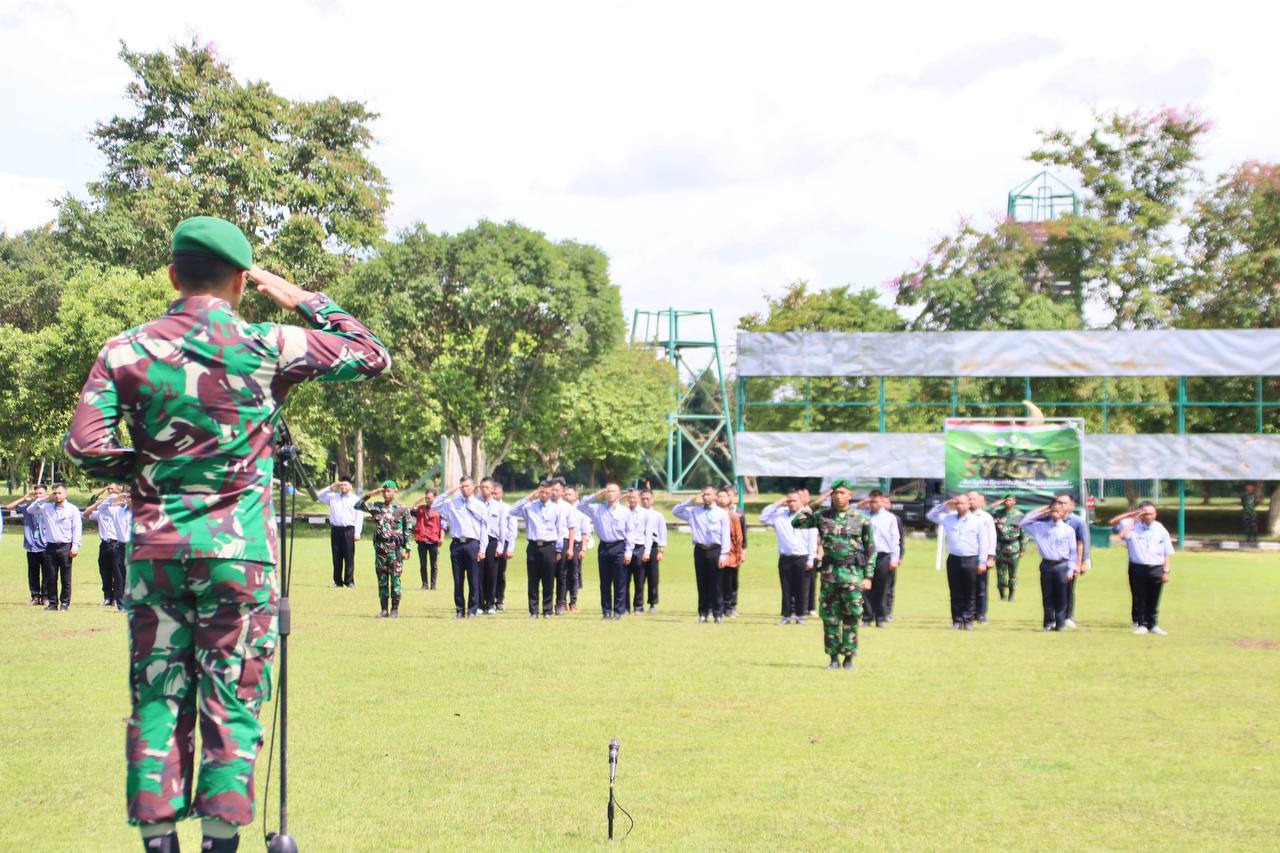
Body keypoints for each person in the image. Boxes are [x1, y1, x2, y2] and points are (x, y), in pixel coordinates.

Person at [63, 215, 389, 851]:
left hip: (156, 548)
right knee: (232, 694)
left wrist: (153, 470)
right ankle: (220, 841)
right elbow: (371, 355)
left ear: (172, 275)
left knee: (157, 695)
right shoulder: (268, 343)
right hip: (240, 554)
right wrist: (303, 299)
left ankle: (158, 840)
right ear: (243, 282)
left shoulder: (125, 349)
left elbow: (85, 448)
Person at [791, 480, 873, 669]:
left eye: (842, 492)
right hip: (829, 575)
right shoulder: (822, 516)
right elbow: (796, 522)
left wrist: (868, 576)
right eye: (835, 493)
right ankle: (833, 658)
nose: (838, 496)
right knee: (830, 618)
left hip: (852, 576)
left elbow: (871, 549)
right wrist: (816, 503)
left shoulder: (860, 518)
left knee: (852, 617)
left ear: (850, 495)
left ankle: (849, 658)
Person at [1111, 502, 1175, 635]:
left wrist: (1166, 570)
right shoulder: (1133, 526)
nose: (1148, 516)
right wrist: (1134, 517)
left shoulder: (1160, 529)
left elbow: (1167, 552)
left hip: (1156, 567)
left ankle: (1153, 624)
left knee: (1154, 597)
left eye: (1151, 514)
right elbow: (1121, 534)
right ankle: (1142, 624)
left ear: (1155, 515)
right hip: (1138, 567)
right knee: (1140, 597)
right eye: (1145, 514)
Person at [927, 494, 987, 629]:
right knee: (955, 592)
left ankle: (968, 620)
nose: (959, 506)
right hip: (954, 559)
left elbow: (984, 542)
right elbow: (930, 516)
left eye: (962, 503)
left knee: (970, 591)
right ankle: (957, 620)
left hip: (971, 558)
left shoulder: (977, 521)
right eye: (957, 503)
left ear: (968, 505)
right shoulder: (948, 518)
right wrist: (944, 505)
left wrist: (982, 561)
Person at [1019, 501, 1081, 631]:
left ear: (1063, 513)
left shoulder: (1068, 530)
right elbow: (1023, 522)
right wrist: (1042, 511)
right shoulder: (1041, 526)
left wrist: (1071, 569)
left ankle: (1060, 624)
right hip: (1047, 564)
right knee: (1047, 596)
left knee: (1061, 596)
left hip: (1062, 565)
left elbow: (1072, 551)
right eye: (1052, 511)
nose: (1055, 514)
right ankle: (1048, 623)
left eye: (1057, 511)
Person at [673, 486, 731, 623]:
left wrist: (724, 554)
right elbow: (676, 511)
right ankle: (703, 613)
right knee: (702, 583)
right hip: (700, 550)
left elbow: (725, 535)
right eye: (704, 494)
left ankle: (717, 614)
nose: (706, 497)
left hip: (715, 550)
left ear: (715, 496)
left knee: (716, 584)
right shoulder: (695, 512)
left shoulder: (721, 513)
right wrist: (691, 500)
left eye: (709, 494)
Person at [355, 481, 412, 618]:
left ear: (395, 491)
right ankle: (384, 609)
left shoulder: (402, 509)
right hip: (380, 549)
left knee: (396, 579)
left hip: (395, 549)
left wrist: (408, 549)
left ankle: (394, 609)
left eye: (389, 491)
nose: (386, 494)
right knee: (382, 580)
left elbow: (407, 530)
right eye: (384, 491)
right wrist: (371, 493)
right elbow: (357, 505)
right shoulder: (376, 507)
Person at [432, 478, 487, 618]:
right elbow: (434, 506)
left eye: (467, 486)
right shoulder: (452, 503)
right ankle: (460, 609)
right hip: (457, 544)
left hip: (472, 544)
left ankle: (473, 610)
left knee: (473, 579)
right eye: (462, 486)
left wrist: (483, 549)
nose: (464, 488)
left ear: (473, 487)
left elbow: (484, 528)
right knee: (458, 579)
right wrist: (450, 491)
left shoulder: (480, 505)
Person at [760, 491, 818, 625]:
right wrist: (780, 502)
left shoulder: (807, 516)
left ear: (801, 502)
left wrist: (811, 559)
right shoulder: (780, 516)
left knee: (802, 588)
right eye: (790, 501)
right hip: (785, 557)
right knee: (786, 588)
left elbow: (812, 539)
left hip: (802, 556)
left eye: (795, 500)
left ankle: (801, 615)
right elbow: (763, 517)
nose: (792, 503)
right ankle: (787, 615)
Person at [510, 481, 565, 618]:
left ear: (551, 492)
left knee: (548, 580)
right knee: (533, 580)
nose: (544, 495)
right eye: (541, 492)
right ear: (538, 492)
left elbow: (560, 530)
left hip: (549, 547)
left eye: (547, 492)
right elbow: (512, 510)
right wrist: (528, 498)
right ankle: (533, 611)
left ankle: (547, 610)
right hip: (533, 547)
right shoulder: (529, 507)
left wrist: (558, 550)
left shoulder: (556, 509)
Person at [578, 483, 633, 619]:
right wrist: (596, 495)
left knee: (619, 581)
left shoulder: (625, 512)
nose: (610, 493)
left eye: (613, 491)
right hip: (604, 547)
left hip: (619, 546)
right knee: (605, 581)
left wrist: (628, 551)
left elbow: (630, 532)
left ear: (619, 494)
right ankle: (606, 611)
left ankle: (618, 611)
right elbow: (581, 505)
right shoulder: (598, 509)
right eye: (608, 491)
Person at [29, 483, 82, 611]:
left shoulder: (72, 509)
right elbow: (30, 510)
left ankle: (64, 603)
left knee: (66, 578)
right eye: (55, 493)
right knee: (51, 577)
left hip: (65, 546)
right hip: (50, 547)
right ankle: (53, 603)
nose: (57, 495)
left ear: (65, 493)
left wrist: (75, 546)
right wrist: (43, 499)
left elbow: (77, 529)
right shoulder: (46, 507)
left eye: (59, 493)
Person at [85, 484, 132, 610]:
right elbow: (102, 508)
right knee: (119, 576)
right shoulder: (117, 511)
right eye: (129, 497)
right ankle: (120, 604)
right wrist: (113, 498)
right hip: (121, 546)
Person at [858, 490, 900, 628]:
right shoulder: (863, 515)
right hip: (866, 554)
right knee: (865, 587)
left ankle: (880, 617)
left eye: (876, 501)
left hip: (883, 555)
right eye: (871, 501)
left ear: (882, 502)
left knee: (882, 588)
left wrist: (895, 558)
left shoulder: (890, 518)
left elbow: (895, 538)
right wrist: (860, 504)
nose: (873, 504)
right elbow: (848, 511)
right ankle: (867, 616)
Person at [5, 484, 49, 605]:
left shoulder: (49, 507)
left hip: (46, 545)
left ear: (46, 495)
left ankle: (45, 597)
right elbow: (9, 507)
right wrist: (25, 498)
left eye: (41, 493)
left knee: (47, 573)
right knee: (33, 573)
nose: (38, 496)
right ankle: (35, 597)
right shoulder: (27, 507)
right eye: (36, 494)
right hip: (31, 545)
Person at [317, 479, 363, 588]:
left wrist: (357, 532)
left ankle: (349, 581)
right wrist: (331, 487)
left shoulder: (355, 499)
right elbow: (318, 496)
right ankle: (337, 581)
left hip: (349, 529)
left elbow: (359, 516)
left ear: (351, 486)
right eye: (341, 484)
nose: (343, 486)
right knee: (336, 556)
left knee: (349, 556)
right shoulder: (333, 497)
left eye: (345, 484)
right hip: (336, 529)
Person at [1054, 494, 1090, 628]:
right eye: (1059, 502)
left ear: (1071, 505)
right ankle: (1055, 616)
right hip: (1054, 560)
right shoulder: (1051, 519)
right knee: (1053, 589)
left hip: (1070, 560)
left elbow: (1082, 542)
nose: (1062, 505)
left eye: (1064, 503)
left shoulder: (1077, 521)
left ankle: (1068, 616)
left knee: (1068, 589)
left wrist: (1081, 562)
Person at [479, 478, 512, 614]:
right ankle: (480, 604)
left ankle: (491, 603)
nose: (483, 489)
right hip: (479, 541)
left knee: (492, 574)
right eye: (481, 487)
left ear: (492, 490)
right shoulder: (475, 504)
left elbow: (502, 528)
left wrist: (500, 546)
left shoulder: (499, 507)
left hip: (493, 541)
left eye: (486, 487)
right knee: (479, 573)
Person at [549, 479, 579, 614]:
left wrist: (571, 548)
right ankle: (547, 603)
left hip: (563, 543)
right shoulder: (545, 505)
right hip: (548, 542)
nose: (554, 492)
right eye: (552, 489)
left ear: (562, 491)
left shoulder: (567, 507)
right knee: (547, 574)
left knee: (561, 575)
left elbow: (571, 529)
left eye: (556, 490)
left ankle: (560, 603)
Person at [968, 491, 998, 624]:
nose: (971, 501)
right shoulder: (963, 516)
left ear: (980, 501)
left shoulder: (986, 517)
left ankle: (980, 614)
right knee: (967, 587)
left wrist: (990, 557)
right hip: (967, 556)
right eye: (969, 499)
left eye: (974, 499)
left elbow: (992, 537)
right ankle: (969, 612)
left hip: (982, 556)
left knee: (981, 587)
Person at [717, 487, 747, 618]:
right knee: (719, 580)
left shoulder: (738, 513)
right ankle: (719, 605)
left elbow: (742, 535)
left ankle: (731, 606)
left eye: (729, 495)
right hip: (718, 550)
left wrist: (743, 551)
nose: (725, 498)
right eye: (723, 495)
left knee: (732, 580)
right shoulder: (716, 512)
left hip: (734, 552)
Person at [990, 494, 1026, 602]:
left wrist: (1022, 549)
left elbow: (1022, 533)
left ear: (1014, 501)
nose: (1007, 502)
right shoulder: (998, 513)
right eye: (1005, 500)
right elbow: (986, 511)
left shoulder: (1018, 515)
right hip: (1000, 547)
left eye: (1010, 500)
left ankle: (1011, 596)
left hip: (1014, 547)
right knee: (1000, 573)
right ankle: (1002, 596)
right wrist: (998, 502)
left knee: (1013, 574)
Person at [560, 485, 589, 613]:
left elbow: (585, 532)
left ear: (576, 495)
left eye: (569, 494)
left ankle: (573, 602)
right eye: (565, 494)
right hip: (563, 544)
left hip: (576, 545)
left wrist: (583, 549)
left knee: (574, 575)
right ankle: (562, 602)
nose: (567, 496)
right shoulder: (561, 508)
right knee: (562, 574)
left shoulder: (581, 511)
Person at [637, 489, 666, 612]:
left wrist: (661, 551)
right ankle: (638, 603)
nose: (645, 501)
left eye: (648, 498)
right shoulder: (636, 513)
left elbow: (662, 533)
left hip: (653, 547)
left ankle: (652, 603)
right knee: (639, 576)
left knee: (653, 576)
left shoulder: (657, 515)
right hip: (639, 546)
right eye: (643, 498)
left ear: (652, 500)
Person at [491, 483, 516, 610]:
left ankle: (499, 600)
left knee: (500, 573)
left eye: (496, 493)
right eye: (492, 493)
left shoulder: (507, 508)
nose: (494, 496)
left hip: (503, 543)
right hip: (489, 542)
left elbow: (512, 530)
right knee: (488, 573)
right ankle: (487, 598)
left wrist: (510, 548)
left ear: (501, 494)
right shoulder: (486, 506)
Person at [411, 490, 443, 590]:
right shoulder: (420, 509)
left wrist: (441, 538)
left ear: (434, 498)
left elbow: (443, 525)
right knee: (423, 564)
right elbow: (409, 510)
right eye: (426, 497)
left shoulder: (439, 510)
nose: (427, 499)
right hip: (422, 539)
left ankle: (433, 585)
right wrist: (418, 500)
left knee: (434, 564)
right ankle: (424, 584)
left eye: (429, 497)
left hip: (433, 540)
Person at [624, 490, 649, 613]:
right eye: (630, 497)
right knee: (624, 579)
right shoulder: (623, 512)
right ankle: (625, 606)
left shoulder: (645, 513)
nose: (632, 500)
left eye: (634, 497)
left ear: (639, 498)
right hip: (626, 548)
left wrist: (647, 551)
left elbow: (648, 533)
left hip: (640, 548)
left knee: (639, 580)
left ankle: (638, 606)